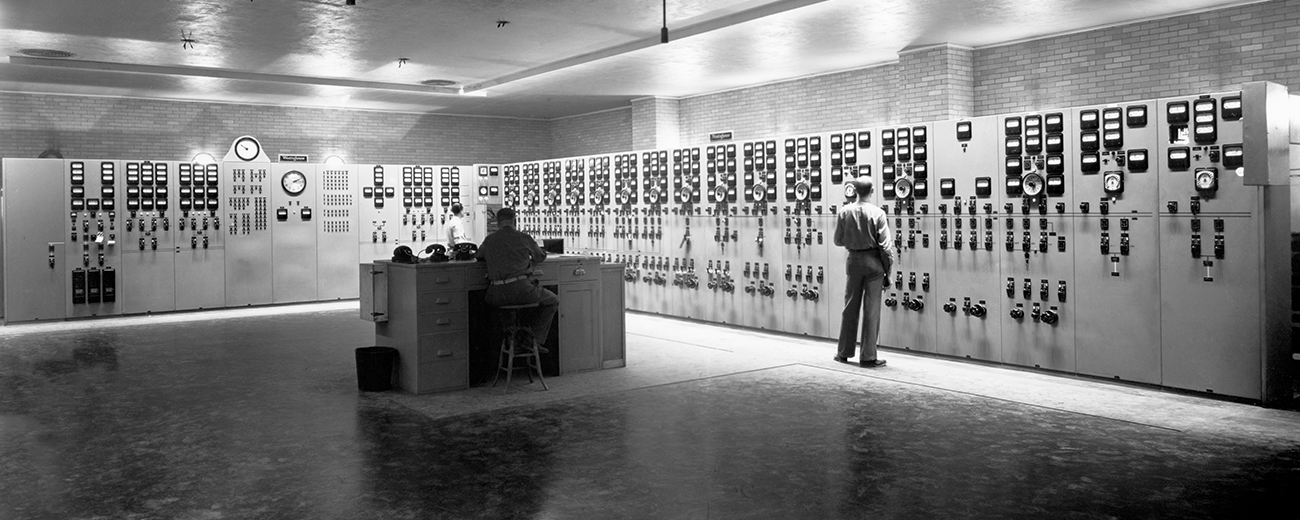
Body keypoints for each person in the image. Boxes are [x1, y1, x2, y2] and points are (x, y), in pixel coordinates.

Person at [475, 207, 558, 353]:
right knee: (553, 300)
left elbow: (478, 255)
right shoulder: (523, 238)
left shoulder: (489, 239)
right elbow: (539, 257)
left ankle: (511, 339)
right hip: (521, 290)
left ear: (497, 221)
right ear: (515, 220)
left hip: (495, 294)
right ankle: (532, 340)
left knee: (509, 307)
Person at [833, 177, 894, 368]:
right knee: (872, 310)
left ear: (854, 190)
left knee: (850, 306)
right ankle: (868, 356)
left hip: (853, 261)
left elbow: (838, 240)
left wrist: (854, 241)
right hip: (874, 262)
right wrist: (888, 272)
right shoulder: (878, 213)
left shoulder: (844, 211)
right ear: (873, 190)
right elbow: (886, 247)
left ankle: (843, 353)